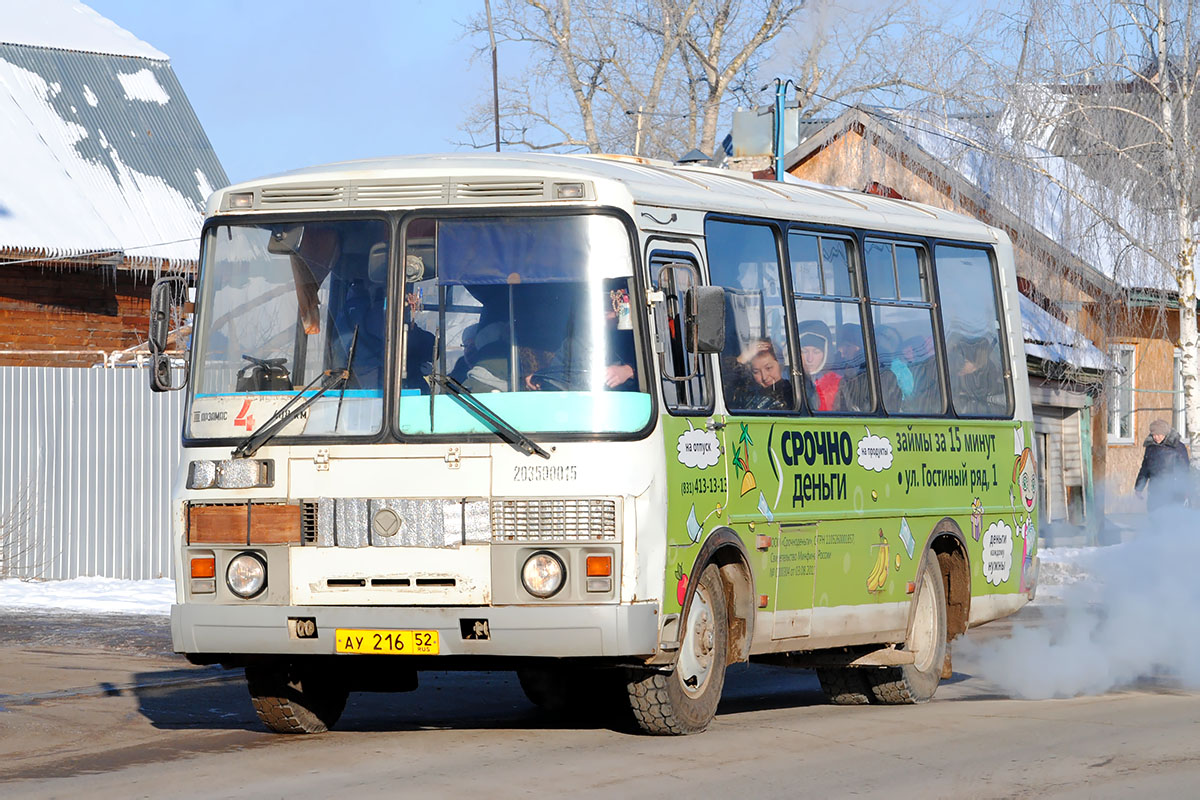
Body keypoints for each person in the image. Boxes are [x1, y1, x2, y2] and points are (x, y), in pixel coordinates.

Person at [526, 283, 637, 391]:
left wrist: (629, 371)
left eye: (610, 308)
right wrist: (540, 379)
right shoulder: (574, 342)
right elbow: (557, 374)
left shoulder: (637, 336)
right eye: (598, 308)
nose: (603, 314)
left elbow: (652, 371)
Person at [1134, 418, 1190, 510]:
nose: (1156, 437)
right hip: (1155, 491)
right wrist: (1139, 487)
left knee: (1171, 519)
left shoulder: (1177, 447)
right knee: (1154, 517)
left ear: (1165, 434)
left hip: (1173, 492)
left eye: (1159, 434)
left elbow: (1184, 470)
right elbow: (1145, 469)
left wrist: (1185, 490)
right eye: (1154, 435)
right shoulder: (1150, 447)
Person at [730, 338, 793, 410]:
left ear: (780, 365)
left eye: (769, 368)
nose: (764, 377)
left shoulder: (790, 395)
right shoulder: (748, 391)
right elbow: (724, 381)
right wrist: (742, 358)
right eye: (756, 372)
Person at [797, 319, 840, 411]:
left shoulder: (838, 384)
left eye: (816, 352)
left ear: (826, 354)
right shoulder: (788, 381)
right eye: (804, 351)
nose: (810, 359)